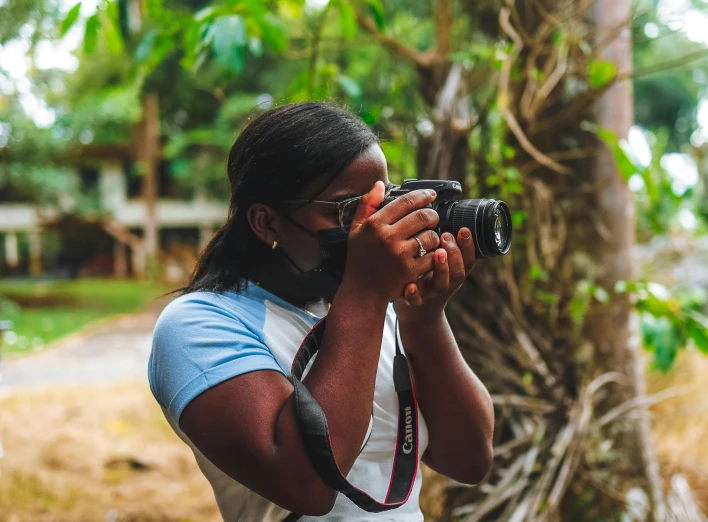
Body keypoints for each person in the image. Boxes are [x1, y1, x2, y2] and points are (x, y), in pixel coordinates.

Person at [148, 102, 494, 521]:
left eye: (383, 202)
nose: (374, 225)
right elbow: (307, 485)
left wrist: (423, 318)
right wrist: (365, 293)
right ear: (267, 223)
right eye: (347, 210)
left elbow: (469, 460)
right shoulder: (198, 326)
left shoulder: (378, 311)